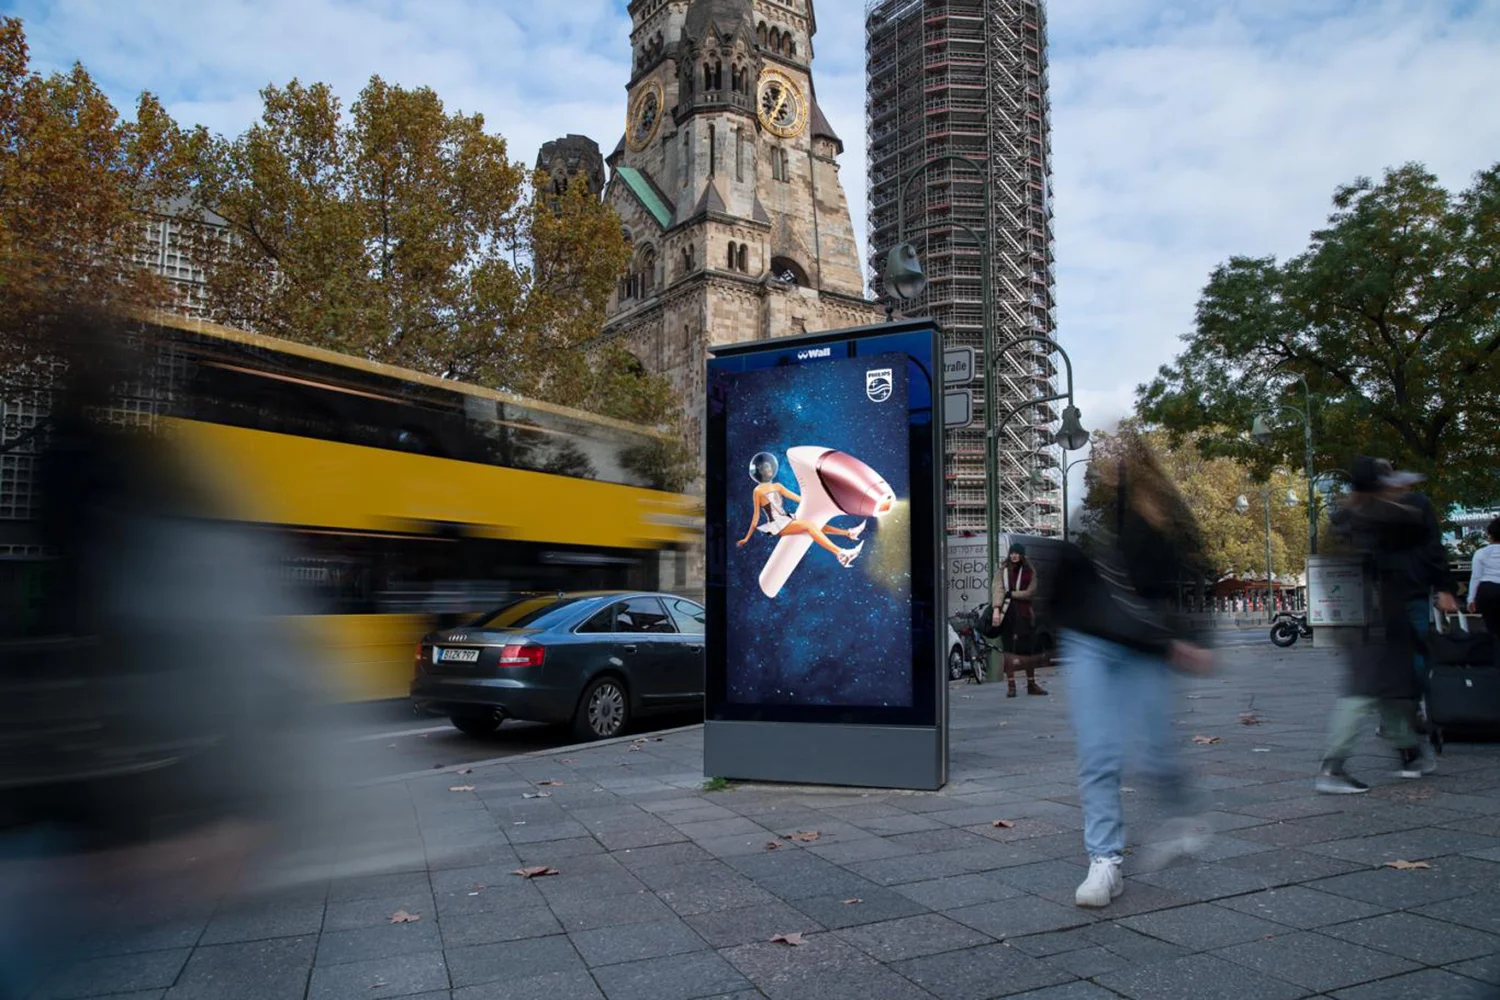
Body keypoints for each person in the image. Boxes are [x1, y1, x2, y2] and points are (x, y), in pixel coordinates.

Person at [1049, 432, 1216, 909]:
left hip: (1145, 647)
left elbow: (1191, 572)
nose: (1106, 463)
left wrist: (1193, 638)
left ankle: (1184, 813)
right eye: (1103, 457)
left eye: (1119, 457)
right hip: (1089, 642)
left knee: (1157, 753)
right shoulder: (1090, 514)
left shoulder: (1162, 517)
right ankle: (1105, 862)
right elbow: (1064, 571)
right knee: (1099, 752)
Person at [1317, 457, 1456, 794]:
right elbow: (1421, 536)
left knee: (1393, 683)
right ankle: (1333, 767)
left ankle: (1409, 752)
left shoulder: (1345, 517)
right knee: (1366, 687)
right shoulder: (1381, 517)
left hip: (1360, 613)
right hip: (1380, 614)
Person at [736, 451, 864, 566]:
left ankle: (849, 533)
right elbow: (756, 516)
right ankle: (841, 554)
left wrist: (815, 501)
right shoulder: (757, 491)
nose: (768, 469)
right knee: (809, 526)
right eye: (765, 467)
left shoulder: (778, 486)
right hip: (776, 525)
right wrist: (746, 538)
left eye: (769, 466)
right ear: (760, 471)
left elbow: (797, 498)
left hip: (786, 518)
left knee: (814, 523)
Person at [992, 544, 1048, 697]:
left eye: (1017, 553)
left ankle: (1031, 683)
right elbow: (997, 589)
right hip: (1007, 614)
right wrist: (996, 609)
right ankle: (1011, 686)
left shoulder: (1030, 571)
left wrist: (1012, 594)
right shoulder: (1003, 570)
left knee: (1027, 650)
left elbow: (1031, 592)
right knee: (1009, 650)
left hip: (1024, 615)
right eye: (1012, 553)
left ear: (1022, 555)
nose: (1014, 556)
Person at [1467, 517, 1500, 635]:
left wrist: (1471, 599)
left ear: (1490, 535)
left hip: (1488, 591)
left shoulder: (1481, 553)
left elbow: (1476, 577)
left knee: (1492, 629)